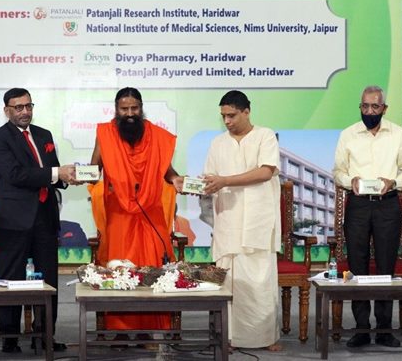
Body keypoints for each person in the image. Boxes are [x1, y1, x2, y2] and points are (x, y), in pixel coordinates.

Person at [89, 87, 183, 334]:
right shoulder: (105, 134)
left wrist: (176, 179)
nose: (130, 113)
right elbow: (94, 168)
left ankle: (149, 330)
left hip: (150, 211)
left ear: (141, 108)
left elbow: (167, 170)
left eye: (134, 108)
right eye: (124, 109)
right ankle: (119, 331)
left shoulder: (156, 136)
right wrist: (81, 174)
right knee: (120, 269)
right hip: (119, 214)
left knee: (152, 266)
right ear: (116, 109)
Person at [0, 88, 75, 354]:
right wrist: (55, 173)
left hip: (45, 217)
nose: (25, 111)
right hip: (13, 219)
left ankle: (45, 335)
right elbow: (15, 175)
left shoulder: (43, 134)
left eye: (28, 106)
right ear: (7, 110)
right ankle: (10, 338)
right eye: (18, 107)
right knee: (10, 279)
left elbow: (52, 170)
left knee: (48, 280)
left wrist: (69, 177)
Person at [332, 85, 402, 348]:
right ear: (360, 107)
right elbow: (338, 172)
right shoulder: (348, 134)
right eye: (365, 106)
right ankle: (361, 329)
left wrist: (394, 182)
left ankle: (384, 329)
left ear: (384, 108)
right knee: (357, 265)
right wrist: (351, 180)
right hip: (357, 205)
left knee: (385, 266)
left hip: (387, 205)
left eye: (375, 106)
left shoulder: (398, 134)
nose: (369, 111)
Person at [202, 90, 281, 351]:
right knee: (229, 282)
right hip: (228, 220)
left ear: (247, 112)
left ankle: (266, 338)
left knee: (259, 283)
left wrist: (225, 180)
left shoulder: (265, 136)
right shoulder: (217, 143)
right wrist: (199, 185)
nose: (227, 121)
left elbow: (265, 172)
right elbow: (210, 177)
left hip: (258, 220)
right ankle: (228, 338)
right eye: (223, 116)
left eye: (232, 115)